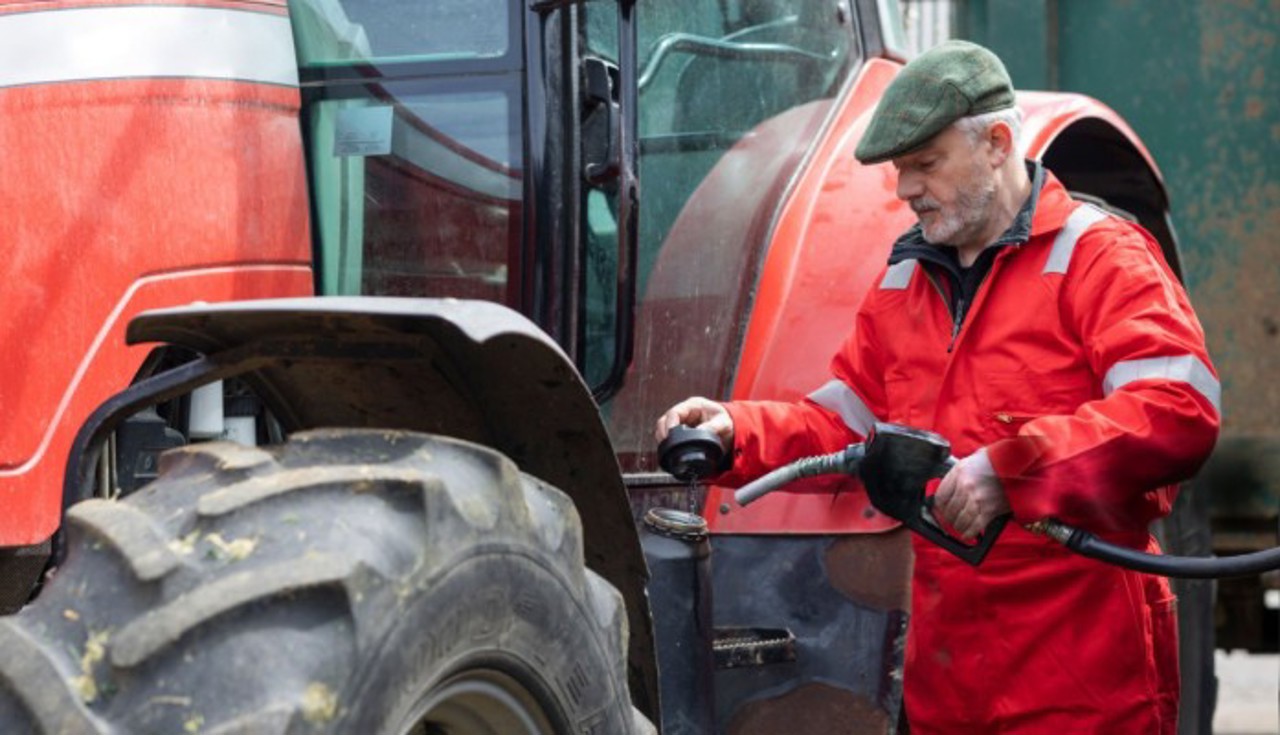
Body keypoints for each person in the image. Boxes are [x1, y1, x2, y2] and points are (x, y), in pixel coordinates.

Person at [655, 40, 1219, 734]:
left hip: (1081, 680)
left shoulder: (1100, 257)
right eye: (900, 169)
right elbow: (845, 428)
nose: (905, 189)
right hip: (948, 688)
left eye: (925, 163)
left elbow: (1177, 410)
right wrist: (736, 429)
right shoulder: (904, 285)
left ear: (997, 144)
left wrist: (1011, 471)